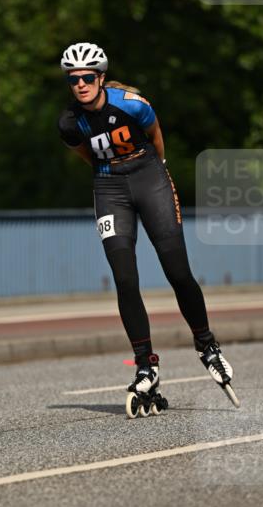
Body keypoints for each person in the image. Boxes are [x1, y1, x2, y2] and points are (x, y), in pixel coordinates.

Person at [57, 41, 237, 411]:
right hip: (109, 187)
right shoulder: (70, 122)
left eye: (87, 77)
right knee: (124, 278)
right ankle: (145, 365)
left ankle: (207, 345)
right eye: (73, 79)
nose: (80, 85)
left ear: (101, 77)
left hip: (149, 177)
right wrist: (110, 173)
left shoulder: (132, 104)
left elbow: (156, 137)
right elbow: (86, 155)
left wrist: (157, 170)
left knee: (177, 271)